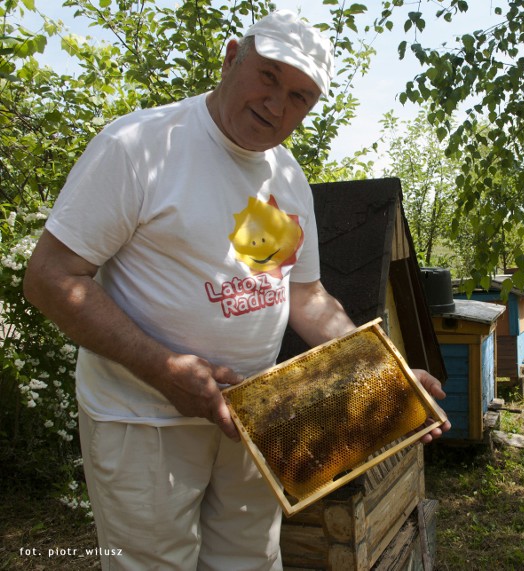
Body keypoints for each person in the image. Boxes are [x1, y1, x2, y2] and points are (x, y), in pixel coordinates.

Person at [23, 9, 450, 570]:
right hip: (141, 419)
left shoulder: (285, 178)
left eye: (299, 96)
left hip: (255, 416)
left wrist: (380, 370)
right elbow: (51, 279)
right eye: (268, 76)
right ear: (231, 58)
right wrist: (164, 370)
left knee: (249, 561)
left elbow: (305, 296)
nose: (277, 104)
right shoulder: (140, 146)